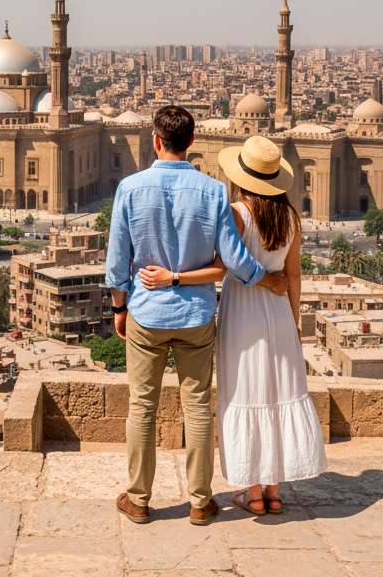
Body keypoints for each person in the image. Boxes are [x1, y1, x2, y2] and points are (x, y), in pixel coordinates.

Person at [107, 107, 289, 527]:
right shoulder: (213, 191)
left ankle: (138, 499)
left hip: (146, 314)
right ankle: (200, 502)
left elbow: (117, 262)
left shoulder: (129, 188)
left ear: (156, 141)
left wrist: (119, 307)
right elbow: (235, 259)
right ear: (191, 143)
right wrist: (270, 281)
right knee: (198, 407)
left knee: (142, 407)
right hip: (196, 317)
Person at [139, 136, 327, 515]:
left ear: (241, 178)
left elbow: (224, 267)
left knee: (247, 390)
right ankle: (274, 493)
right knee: (275, 391)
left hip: (243, 309)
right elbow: (293, 274)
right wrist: (292, 321)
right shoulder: (291, 218)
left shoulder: (236, 214)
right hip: (278, 311)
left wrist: (174, 278)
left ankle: (253, 493)